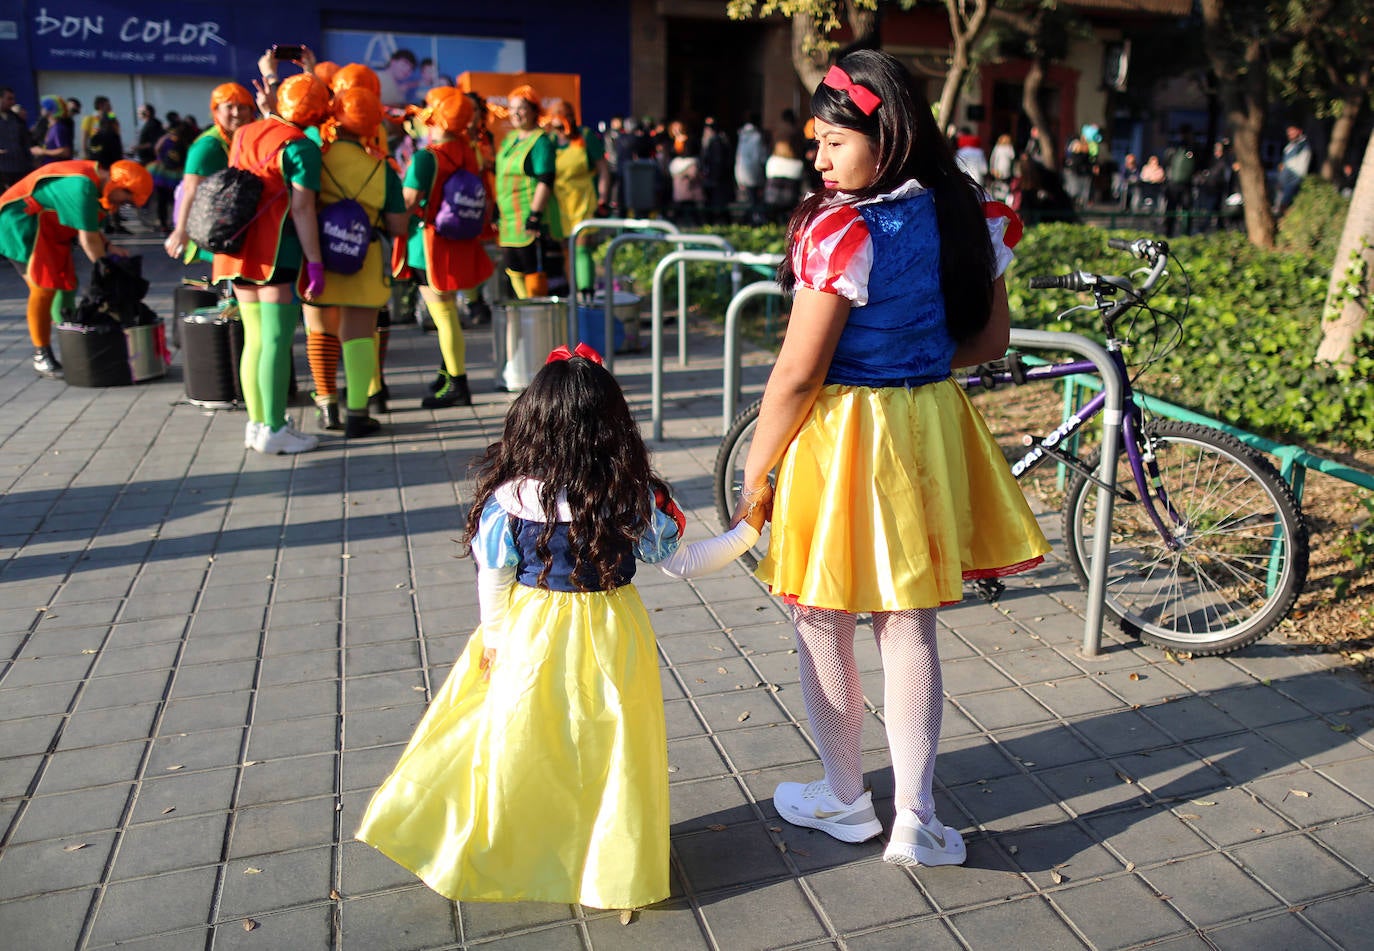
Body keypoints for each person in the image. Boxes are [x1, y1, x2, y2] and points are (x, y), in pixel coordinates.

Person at [731, 50, 1050, 866]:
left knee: (822, 613)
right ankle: (916, 817)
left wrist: (755, 468)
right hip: (929, 425)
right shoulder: (970, 214)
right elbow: (988, 340)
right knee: (908, 624)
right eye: (818, 141)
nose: (820, 156)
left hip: (843, 433)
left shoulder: (840, 229)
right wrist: (917, 362)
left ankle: (845, 798)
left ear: (890, 136)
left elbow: (799, 371)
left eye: (836, 141)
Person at [356, 344, 765, 909]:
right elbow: (683, 563)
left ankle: (524, 847)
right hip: (613, 632)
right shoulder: (631, 497)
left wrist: (494, 640)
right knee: (612, 744)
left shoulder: (510, 500)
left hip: (529, 632)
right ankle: (607, 863)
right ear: (612, 425)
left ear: (533, 421)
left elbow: (493, 581)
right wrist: (748, 531)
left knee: (524, 741)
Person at [211, 71, 330, 456]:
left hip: (234, 246)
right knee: (276, 342)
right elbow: (303, 208)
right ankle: (276, 427)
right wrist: (315, 262)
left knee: (255, 341)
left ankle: (258, 424)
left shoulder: (245, 131)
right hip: (275, 251)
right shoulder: (301, 148)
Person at [300, 85, 409, 438]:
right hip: (365, 257)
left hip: (319, 255)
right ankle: (358, 413)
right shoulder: (383, 169)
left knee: (320, 329)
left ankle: (327, 405)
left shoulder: (317, 158)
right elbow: (396, 225)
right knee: (360, 333)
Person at [0, 159, 152, 378]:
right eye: (127, 198)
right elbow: (87, 238)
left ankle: (72, 343)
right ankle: (41, 354)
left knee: (67, 284)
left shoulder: (94, 184)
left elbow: (87, 223)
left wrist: (108, 247)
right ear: (118, 185)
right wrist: (105, 268)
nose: (125, 205)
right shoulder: (81, 186)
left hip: (48, 229)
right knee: (43, 289)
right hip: (19, 225)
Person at [401, 88, 495, 410]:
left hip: (427, 245)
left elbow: (409, 202)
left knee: (444, 316)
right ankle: (447, 373)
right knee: (449, 313)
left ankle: (458, 383)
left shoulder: (427, 157)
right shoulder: (469, 151)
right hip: (458, 244)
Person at [164, 83, 256, 264]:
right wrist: (181, 230)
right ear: (216, 111)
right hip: (216, 229)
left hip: (237, 225)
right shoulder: (208, 146)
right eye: (229, 107)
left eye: (242, 107)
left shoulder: (243, 137)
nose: (237, 113)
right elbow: (190, 189)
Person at [495, 84, 561, 299]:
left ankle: (535, 315)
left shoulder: (540, 141)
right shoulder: (510, 139)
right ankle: (523, 314)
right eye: (512, 108)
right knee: (512, 268)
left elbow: (546, 180)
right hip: (508, 219)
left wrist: (535, 215)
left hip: (527, 215)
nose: (515, 113)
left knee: (531, 270)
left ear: (534, 111)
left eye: (521, 108)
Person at [547, 99, 605, 301]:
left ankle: (586, 291)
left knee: (582, 245)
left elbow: (603, 169)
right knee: (566, 249)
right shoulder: (551, 141)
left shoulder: (585, 136)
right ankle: (574, 293)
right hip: (560, 203)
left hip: (583, 199)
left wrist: (603, 198)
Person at [148, 120, 190, 232]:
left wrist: (160, 159)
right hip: (176, 174)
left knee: (162, 200)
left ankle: (163, 223)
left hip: (162, 172)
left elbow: (157, 148)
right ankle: (177, 221)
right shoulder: (184, 142)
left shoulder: (166, 140)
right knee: (176, 199)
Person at [734, 113, 767, 223]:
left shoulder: (741, 135)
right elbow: (761, 155)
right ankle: (753, 218)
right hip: (754, 169)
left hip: (742, 168)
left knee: (747, 196)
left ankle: (747, 218)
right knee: (755, 197)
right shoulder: (757, 136)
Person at [0, 87, 33, 191]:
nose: (13, 102)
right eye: (9, 99)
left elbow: (26, 140)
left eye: (13, 99)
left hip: (20, 168)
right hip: (2, 169)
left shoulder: (16, 118)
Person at [763, 138, 804, 222]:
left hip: (771, 197)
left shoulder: (772, 161)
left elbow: (767, 175)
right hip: (790, 198)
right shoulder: (798, 163)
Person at [1275, 124, 1311, 215]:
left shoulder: (1302, 145)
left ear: (1299, 131)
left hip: (1293, 180)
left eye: (1292, 131)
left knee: (1285, 205)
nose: (1290, 133)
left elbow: (1297, 168)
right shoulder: (1289, 146)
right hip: (1284, 181)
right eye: (1289, 131)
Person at [30, 96, 74, 166]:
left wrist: (42, 151)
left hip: (56, 170)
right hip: (50, 168)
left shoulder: (58, 128)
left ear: (50, 109)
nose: (41, 109)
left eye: (43, 107)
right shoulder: (52, 127)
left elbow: (65, 152)